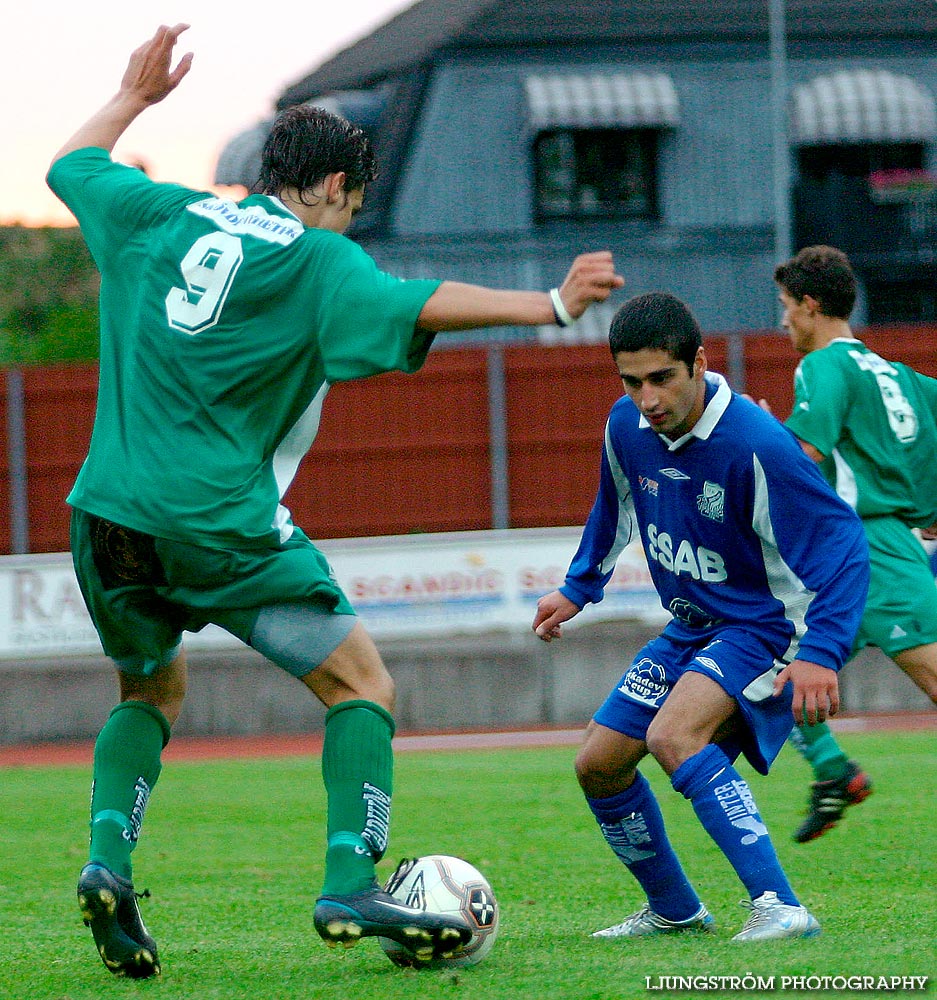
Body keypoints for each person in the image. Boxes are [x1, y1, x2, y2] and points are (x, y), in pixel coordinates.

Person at [45, 25, 624, 980]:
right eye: (352, 204)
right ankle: (349, 881)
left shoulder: (160, 214)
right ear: (331, 190)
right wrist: (550, 308)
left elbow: (72, 165)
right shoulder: (317, 259)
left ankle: (108, 864)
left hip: (104, 517)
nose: (350, 221)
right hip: (218, 527)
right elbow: (418, 302)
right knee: (362, 687)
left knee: (151, 690)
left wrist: (135, 96)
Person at [532, 291, 869, 941]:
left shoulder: (754, 444)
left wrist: (820, 652)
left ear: (699, 363)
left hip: (765, 627)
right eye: (631, 381)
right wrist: (578, 588)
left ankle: (780, 907)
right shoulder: (625, 427)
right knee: (597, 763)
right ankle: (674, 910)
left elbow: (844, 547)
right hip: (692, 625)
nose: (647, 398)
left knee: (672, 736)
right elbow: (614, 509)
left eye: (661, 378)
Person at [768, 245, 937, 842]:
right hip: (874, 549)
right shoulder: (902, 377)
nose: (782, 319)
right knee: (773, 674)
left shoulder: (822, 367)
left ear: (811, 307)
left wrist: (763, 442)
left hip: (867, 552)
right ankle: (835, 772)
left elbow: (805, 453)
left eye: (786, 306)